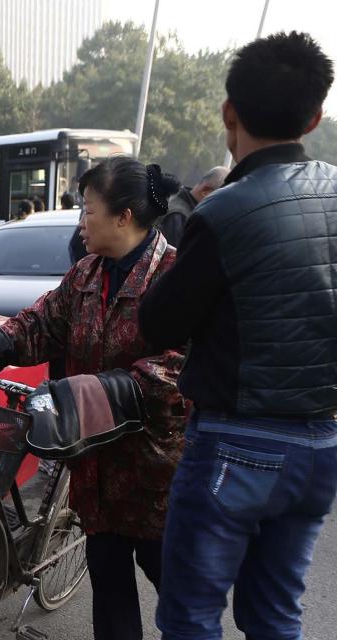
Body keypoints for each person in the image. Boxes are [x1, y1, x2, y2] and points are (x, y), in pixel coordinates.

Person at [0, 157, 184, 640]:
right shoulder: (85, 274)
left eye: (88, 210)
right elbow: (38, 325)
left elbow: (182, 366)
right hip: (92, 468)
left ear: (123, 216)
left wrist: (104, 391)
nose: (81, 222)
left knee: (179, 595)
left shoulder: (174, 274)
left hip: (156, 478)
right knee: (108, 588)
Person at [139, 32, 337, 640]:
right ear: (315, 116)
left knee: (191, 616)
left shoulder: (224, 212)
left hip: (235, 443)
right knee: (276, 613)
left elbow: (158, 324)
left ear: (229, 112)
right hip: (321, 445)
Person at [157, 166, 229, 248]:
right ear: (205, 191)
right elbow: (176, 257)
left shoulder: (182, 205)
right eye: (222, 201)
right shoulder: (180, 216)